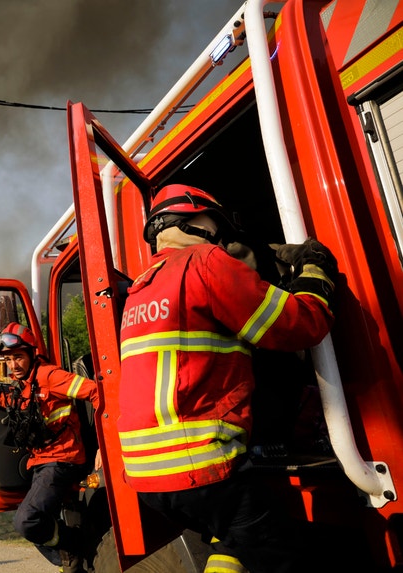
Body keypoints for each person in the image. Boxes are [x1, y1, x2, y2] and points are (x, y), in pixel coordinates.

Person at [117, 184, 337, 573]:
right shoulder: (205, 262)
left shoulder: (141, 289)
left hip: (148, 479)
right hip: (202, 468)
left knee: (233, 542)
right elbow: (300, 325)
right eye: (218, 226)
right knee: (288, 559)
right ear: (198, 222)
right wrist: (314, 270)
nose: (222, 238)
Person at [0, 321, 99, 573]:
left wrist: (105, 445)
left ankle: (75, 547)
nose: (13, 365)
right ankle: (71, 559)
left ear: (31, 354)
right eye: (8, 359)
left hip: (61, 460)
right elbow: (25, 409)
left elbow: (95, 391)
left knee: (27, 521)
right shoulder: (25, 384)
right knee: (35, 522)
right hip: (41, 461)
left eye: (18, 357)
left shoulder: (49, 376)